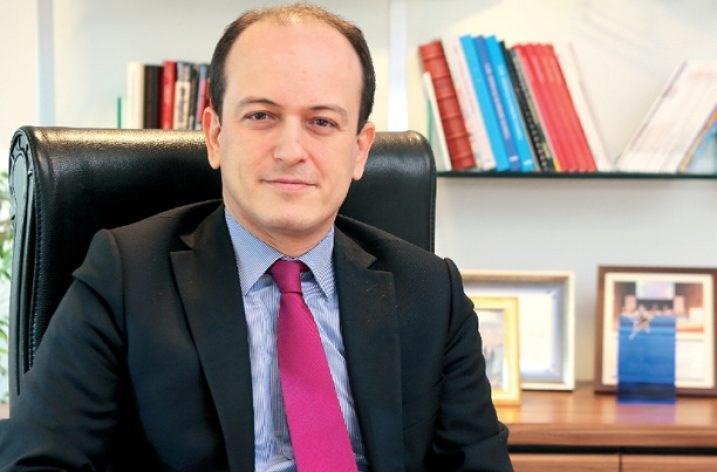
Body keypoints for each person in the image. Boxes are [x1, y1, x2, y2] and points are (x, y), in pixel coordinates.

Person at [0, 4, 511, 471]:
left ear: (360, 149)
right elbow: (39, 463)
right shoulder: (125, 276)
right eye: (261, 116)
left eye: (322, 121)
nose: (290, 150)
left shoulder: (430, 291)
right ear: (215, 135)